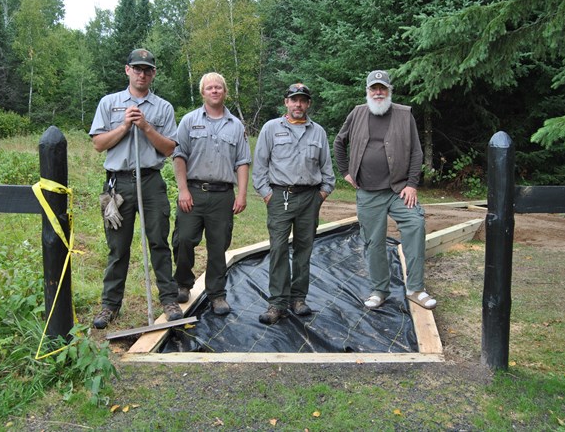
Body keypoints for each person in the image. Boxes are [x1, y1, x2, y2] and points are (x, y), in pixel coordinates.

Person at [89, 48, 183, 329]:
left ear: (153, 73)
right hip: (117, 184)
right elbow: (98, 144)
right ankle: (109, 306)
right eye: (137, 68)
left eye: (148, 69)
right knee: (117, 248)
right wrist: (124, 126)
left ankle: (169, 300)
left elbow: (168, 149)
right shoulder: (109, 103)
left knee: (158, 242)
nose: (142, 74)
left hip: (151, 182)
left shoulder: (163, 107)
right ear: (127, 70)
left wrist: (145, 127)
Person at [334, 69, 437, 310]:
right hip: (368, 192)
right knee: (374, 241)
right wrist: (345, 172)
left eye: (382, 88)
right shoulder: (358, 113)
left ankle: (416, 288)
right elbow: (340, 141)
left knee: (415, 225)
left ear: (389, 90)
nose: (378, 92)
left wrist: (412, 184)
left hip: (399, 189)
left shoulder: (404, 114)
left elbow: (416, 151)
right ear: (367, 91)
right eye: (374, 88)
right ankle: (379, 290)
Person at [252, 83, 336, 324]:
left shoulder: (318, 131)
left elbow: (327, 170)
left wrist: (321, 195)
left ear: (308, 104)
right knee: (278, 248)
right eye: (294, 100)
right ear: (286, 102)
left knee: (303, 249)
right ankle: (277, 302)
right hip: (280, 196)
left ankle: (298, 298)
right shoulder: (271, 129)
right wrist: (268, 195)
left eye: (303, 100)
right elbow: (260, 167)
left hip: (310, 197)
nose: (298, 104)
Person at [171, 72, 251, 315]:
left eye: (219, 87)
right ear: (202, 92)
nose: (214, 91)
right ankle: (183, 283)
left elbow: (243, 162)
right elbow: (178, 155)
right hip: (193, 192)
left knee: (218, 246)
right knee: (183, 239)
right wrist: (183, 190)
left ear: (225, 92)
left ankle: (217, 294)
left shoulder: (236, 125)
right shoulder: (188, 121)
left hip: (222, 195)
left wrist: (242, 195)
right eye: (209, 88)